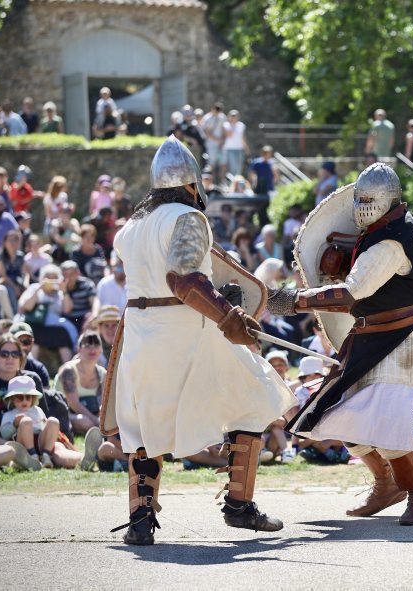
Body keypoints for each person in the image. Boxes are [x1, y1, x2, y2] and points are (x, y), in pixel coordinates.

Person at [109, 135, 294, 544]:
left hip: (141, 332)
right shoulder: (187, 217)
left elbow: (169, 277)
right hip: (188, 331)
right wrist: (228, 314)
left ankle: (140, 522)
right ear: (192, 184)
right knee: (255, 397)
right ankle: (239, 506)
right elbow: (185, 280)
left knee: (143, 426)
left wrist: (218, 296)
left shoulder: (132, 226)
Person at [269, 162, 413, 526]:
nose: (363, 207)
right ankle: (386, 483)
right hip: (377, 339)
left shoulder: (391, 241)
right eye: (360, 199)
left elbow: (351, 293)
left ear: (388, 200)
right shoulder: (385, 228)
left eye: (370, 200)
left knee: (387, 421)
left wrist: (294, 301)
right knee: (339, 412)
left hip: (407, 343)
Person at [0, 375, 62, 469]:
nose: (24, 401)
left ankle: (46, 456)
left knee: (53, 421)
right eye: (20, 397)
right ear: (12, 399)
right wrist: (14, 425)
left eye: (28, 397)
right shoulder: (9, 415)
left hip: (40, 443)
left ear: (33, 398)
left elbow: (45, 426)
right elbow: (4, 435)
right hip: (23, 447)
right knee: (26, 421)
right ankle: (32, 456)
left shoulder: (38, 410)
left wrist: (48, 427)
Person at [18, 264, 77, 362]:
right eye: (48, 277)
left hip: (54, 328)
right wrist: (39, 288)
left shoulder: (60, 292)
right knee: (34, 340)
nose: (51, 280)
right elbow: (27, 307)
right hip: (35, 325)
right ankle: (32, 367)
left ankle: (68, 367)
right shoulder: (34, 288)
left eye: (54, 278)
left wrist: (64, 291)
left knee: (64, 336)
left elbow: (67, 310)